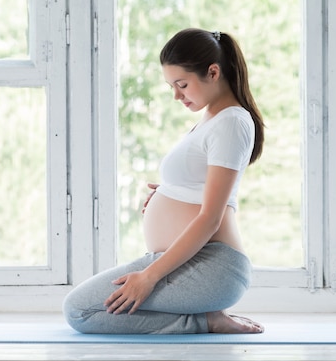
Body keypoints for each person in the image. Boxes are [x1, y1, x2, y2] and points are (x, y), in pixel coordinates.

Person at [62, 28, 265, 334]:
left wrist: (149, 277)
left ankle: (205, 321)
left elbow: (210, 218)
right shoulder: (212, 118)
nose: (177, 96)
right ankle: (204, 318)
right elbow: (200, 185)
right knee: (84, 308)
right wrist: (171, 193)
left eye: (182, 85)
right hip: (191, 262)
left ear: (213, 72)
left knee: (80, 311)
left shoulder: (232, 122)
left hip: (212, 266)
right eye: (172, 86)